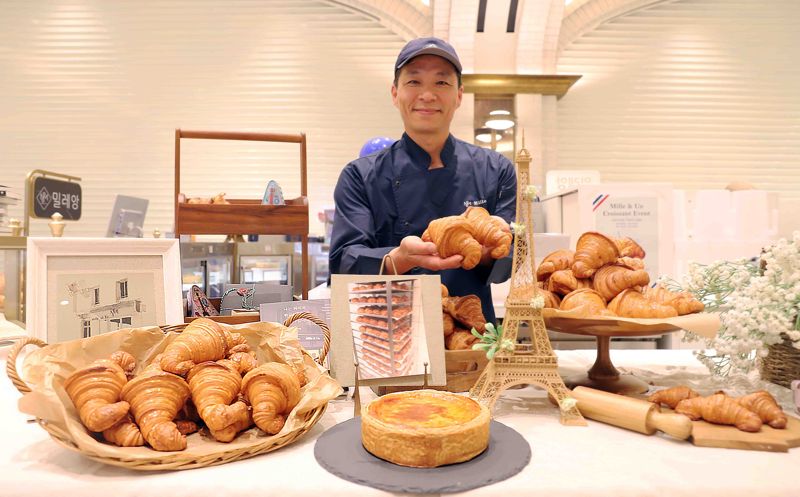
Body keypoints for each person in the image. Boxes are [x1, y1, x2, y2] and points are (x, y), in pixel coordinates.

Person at [329, 37, 517, 323]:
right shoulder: (360, 176)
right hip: (388, 336)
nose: (427, 95)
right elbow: (344, 261)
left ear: (459, 95)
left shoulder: (496, 169)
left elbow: (511, 259)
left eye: (441, 83)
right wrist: (400, 258)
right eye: (414, 82)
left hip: (471, 335)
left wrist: (492, 252)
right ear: (395, 93)